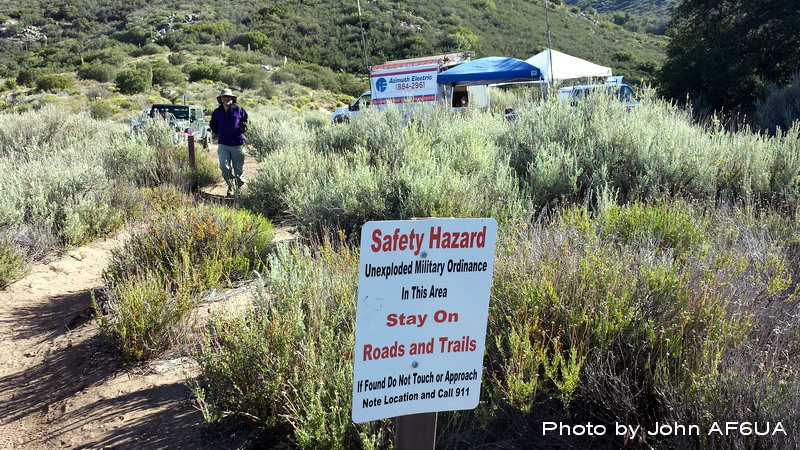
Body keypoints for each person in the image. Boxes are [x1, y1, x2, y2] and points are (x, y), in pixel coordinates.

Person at [209, 88, 249, 196]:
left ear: (232, 98)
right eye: (224, 97)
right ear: (221, 99)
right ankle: (231, 185)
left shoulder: (239, 109)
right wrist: (218, 132)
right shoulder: (217, 111)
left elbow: (246, 121)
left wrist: (242, 130)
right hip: (223, 143)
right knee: (224, 166)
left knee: (238, 170)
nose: (226, 98)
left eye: (228, 96)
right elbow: (212, 123)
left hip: (237, 143)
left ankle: (237, 189)